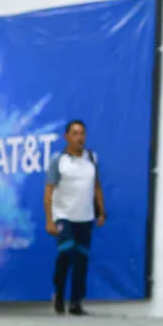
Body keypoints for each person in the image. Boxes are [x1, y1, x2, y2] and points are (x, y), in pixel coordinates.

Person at [44, 120, 106, 316]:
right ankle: (59, 293)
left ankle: (76, 302)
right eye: (75, 133)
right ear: (67, 137)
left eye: (82, 133)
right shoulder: (58, 160)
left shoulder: (91, 158)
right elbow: (48, 191)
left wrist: (101, 212)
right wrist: (49, 220)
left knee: (81, 260)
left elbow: (96, 186)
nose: (79, 137)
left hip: (85, 218)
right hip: (64, 216)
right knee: (65, 254)